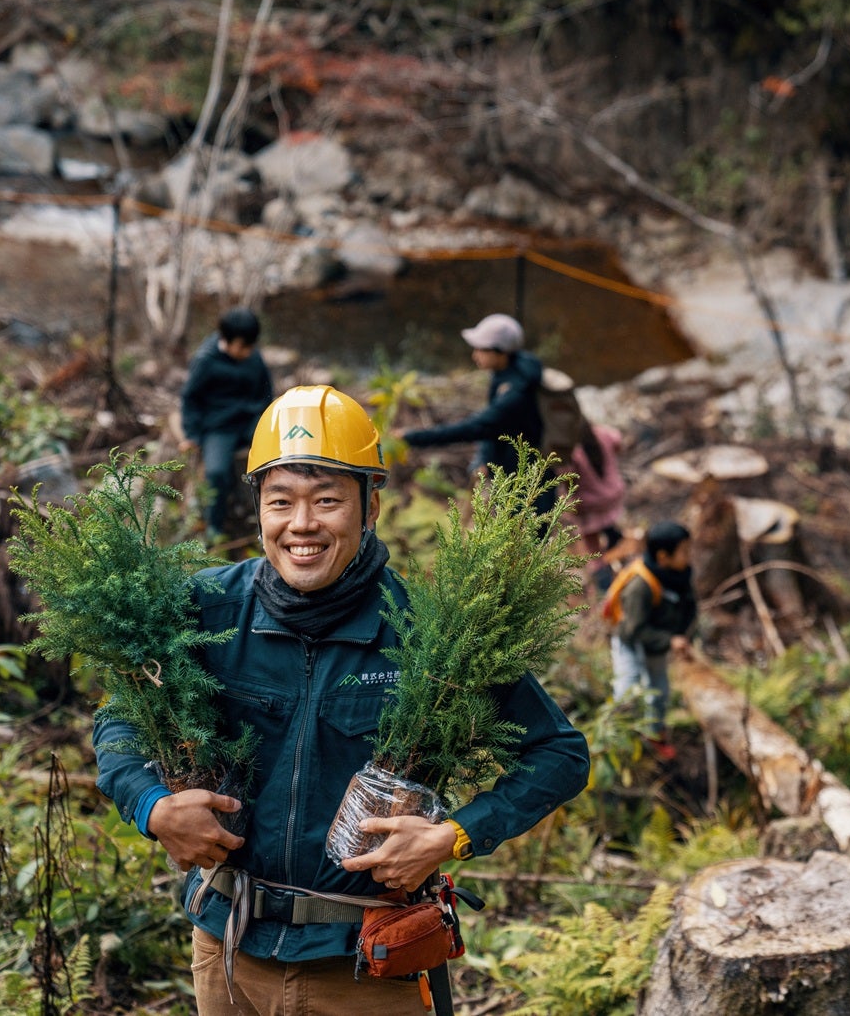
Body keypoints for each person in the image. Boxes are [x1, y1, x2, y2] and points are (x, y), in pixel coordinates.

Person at [95, 385, 590, 1016]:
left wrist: (453, 837)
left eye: (327, 500)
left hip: (365, 966)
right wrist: (152, 807)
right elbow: (121, 718)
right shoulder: (204, 610)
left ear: (370, 505)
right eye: (281, 502)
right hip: (227, 951)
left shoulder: (432, 635)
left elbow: (559, 754)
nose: (302, 525)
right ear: (260, 512)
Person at [400, 313, 545, 484]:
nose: (475, 355)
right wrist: (483, 459)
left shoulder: (516, 390)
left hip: (528, 479)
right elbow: (494, 429)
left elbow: (478, 427)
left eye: (482, 349)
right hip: (510, 472)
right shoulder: (506, 373)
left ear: (501, 352)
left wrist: (411, 437)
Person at [605, 521, 697, 760]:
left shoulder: (679, 575)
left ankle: (654, 732)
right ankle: (614, 737)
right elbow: (632, 630)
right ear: (663, 556)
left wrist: (683, 638)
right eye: (684, 551)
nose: (689, 556)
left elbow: (688, 608)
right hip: (631, 641)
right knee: (628, 687)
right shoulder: (641, 586)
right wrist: (670, 640)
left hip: (657, 642)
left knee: (659, 690)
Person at [180, 309, 274, 539]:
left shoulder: (253, 356)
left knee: (274, 461)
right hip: (219, 427)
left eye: (251, 346)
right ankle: (215, 526)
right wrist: (192, 433)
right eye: (243, 347)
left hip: (251, 419)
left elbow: (265, 391)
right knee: (217, 472)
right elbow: (190, 398)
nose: (248, 352)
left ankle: (269, 519)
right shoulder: (206, 361)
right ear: (229, 341)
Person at [566, 417, 627, 594]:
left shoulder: (572, 450)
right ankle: (622, 564)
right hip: (611, 496)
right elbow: (618, 440)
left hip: (589, 505)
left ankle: (607, 589)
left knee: (593, 551)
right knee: (611, 531)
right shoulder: (603, 434)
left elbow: (565, 475)